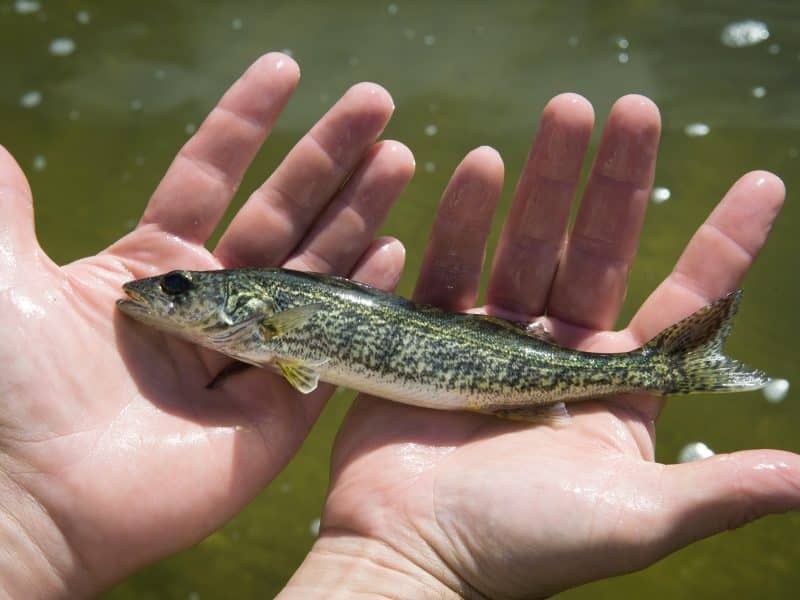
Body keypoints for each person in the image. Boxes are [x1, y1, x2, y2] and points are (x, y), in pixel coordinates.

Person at [0, 53, 794, 598]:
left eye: (178, 290)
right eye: (174, 289)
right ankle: (669, 366)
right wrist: (25, 513)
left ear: (243, 307)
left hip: (494, 372)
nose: (159, 294)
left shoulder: (267, 322)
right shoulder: (259, 334)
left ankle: (668, 365)